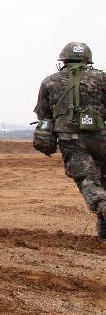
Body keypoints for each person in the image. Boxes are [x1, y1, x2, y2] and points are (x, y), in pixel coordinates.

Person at [34, 42, 106, 240]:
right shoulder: (101, 78)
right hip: (101, 136)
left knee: (87, 178)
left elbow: (43, 115)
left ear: (63, 60)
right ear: (87, 60)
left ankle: (102, 206)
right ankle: (104, 235)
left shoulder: (50, 81)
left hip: (70, 140)